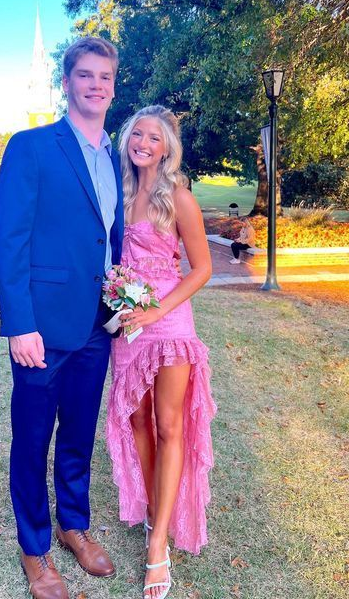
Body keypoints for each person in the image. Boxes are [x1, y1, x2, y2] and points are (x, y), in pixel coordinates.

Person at [0, 37, 124, 599]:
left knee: (78, 433)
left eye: (105, 77)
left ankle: (74, 525)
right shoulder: (32, 147)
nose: (96, 85)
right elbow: (10, 238)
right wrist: (19, 324)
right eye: (85, 75)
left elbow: (110, 238)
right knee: (31, 440)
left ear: (114, 86)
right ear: (66, 82)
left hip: (98, 324)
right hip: (41, 328)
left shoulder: (115, 157)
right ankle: (34, 548)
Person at [106, 106, 216, 599]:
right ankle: (156, 510)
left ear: (168, 148)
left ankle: (158, 544)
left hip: (169, 322)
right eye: (137, 134)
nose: (144, 143)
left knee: (169, 425)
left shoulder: (179, 198)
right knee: (137, 421)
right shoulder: (119, 194)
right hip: (129, 322)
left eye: (154, 137)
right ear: (127, 140)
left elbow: (202, 268)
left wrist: (157, 312)